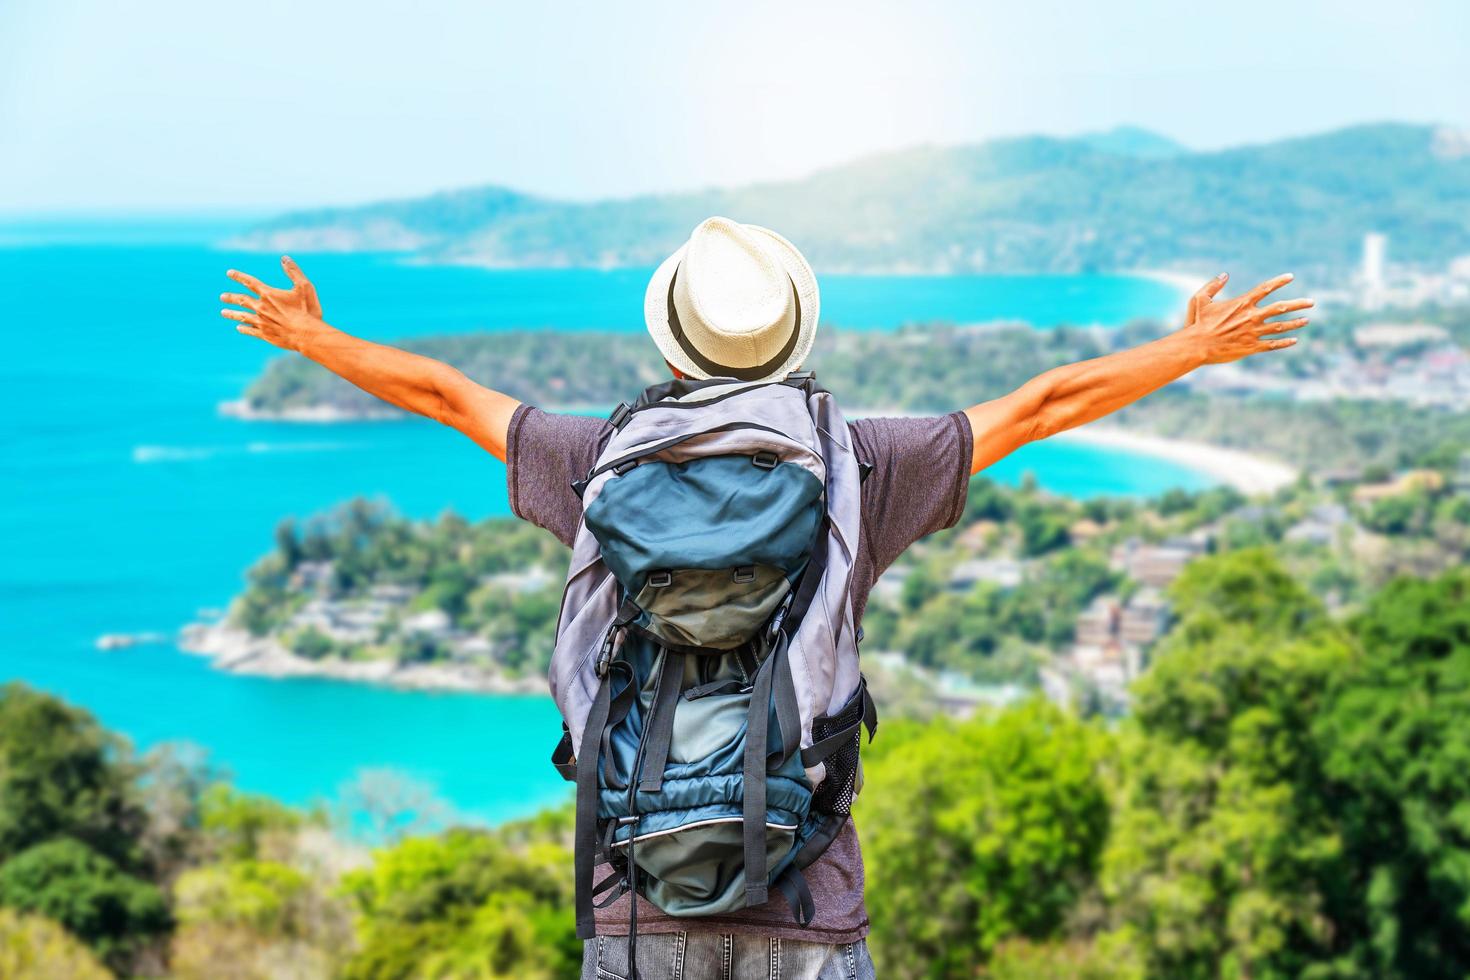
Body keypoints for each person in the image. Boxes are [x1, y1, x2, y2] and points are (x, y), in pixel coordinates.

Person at [220, 216, 1310, 979]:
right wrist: (1195, 344)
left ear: (675, 340)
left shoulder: (594, 456)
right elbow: (1044, 402)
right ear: (789, 332)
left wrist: (311, 335)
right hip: (807, 899)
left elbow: (444, 391)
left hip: (637, 907)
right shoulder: (859, 464)